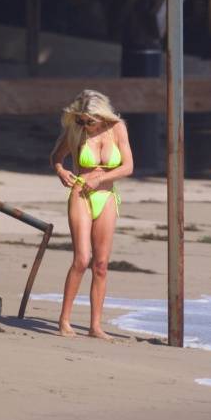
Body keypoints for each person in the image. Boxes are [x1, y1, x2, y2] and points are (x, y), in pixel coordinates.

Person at [49, 90, 134, 339]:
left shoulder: (118, 128)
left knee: (101, 265)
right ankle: (64, 320)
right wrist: (60, 171)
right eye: (80, 120)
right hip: (80, 194)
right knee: (81, 259)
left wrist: (102, 180)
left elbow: (128, 167)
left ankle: (95, 326)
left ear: (102, 117)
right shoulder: (76, 130)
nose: (85, 125)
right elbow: (57, 156)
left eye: (90, 121)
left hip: (106, 195)